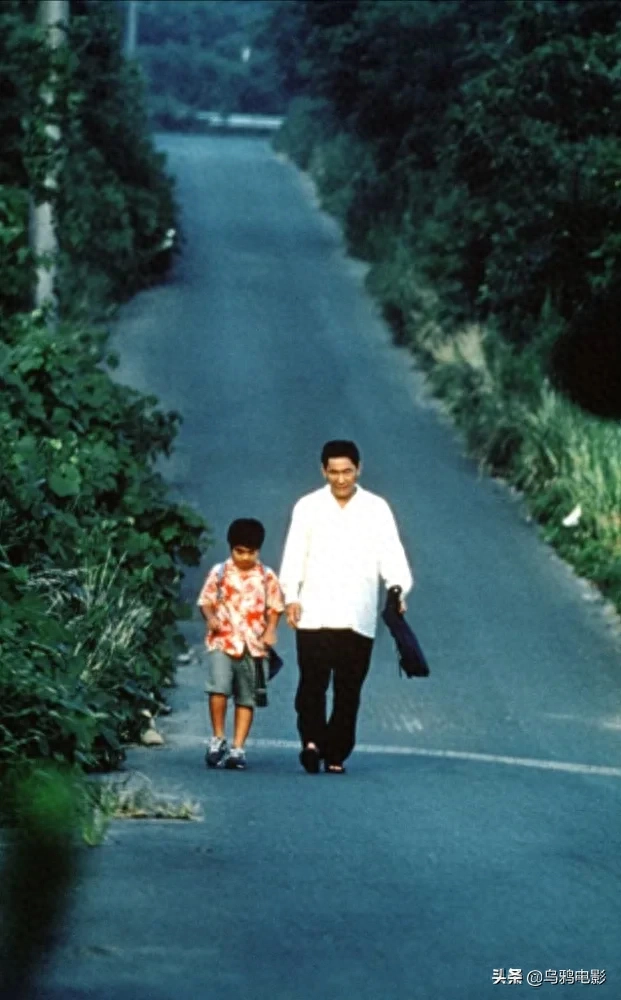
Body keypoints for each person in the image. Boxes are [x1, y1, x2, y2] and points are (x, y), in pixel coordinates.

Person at [279, 440, 413, 775]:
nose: (341, 479)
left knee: (348, 687)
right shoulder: (308, 507)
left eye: (347, 471)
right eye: (334, 472)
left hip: (358, 611)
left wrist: (397, 588)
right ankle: (311, 741)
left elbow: (391, 553)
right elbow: (294, 553)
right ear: (323, 471)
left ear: (359, 469)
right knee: (312, 682)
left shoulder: (376, 508)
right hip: (314, 609)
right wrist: (290, 597)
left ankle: (336, 751)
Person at [197, 518, 284, 770]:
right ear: (231, 549)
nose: (245, 558)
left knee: (247, 697)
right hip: (223, 640)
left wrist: (270, 630)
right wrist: (211, 617)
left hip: (253, 645)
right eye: (240, 551)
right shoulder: (221, 572)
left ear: (259, 551)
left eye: (251, 552)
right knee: (219, 688)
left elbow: (275, 607)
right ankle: (217, 738)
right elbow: (206, 600)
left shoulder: (266, 576)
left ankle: (238, 747)